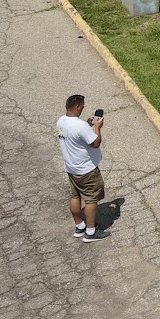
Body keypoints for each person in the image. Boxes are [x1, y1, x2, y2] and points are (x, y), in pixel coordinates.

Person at [56, 94, 108, 242]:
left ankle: (79, 226)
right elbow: (95, 143)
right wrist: (97, 127)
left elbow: (76, 135)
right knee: (91, 199)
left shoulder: (61, 121)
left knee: (75, 196)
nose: (84, 107)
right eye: (82, 105)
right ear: (77, 106)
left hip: (71, 168)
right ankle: (91, 232)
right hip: (86, 170)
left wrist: (88, 124)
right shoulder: (80, 126)